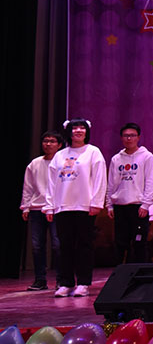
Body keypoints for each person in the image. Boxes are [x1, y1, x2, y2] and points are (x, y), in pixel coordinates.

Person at [44, 119, 106, 298]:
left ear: (87, 131)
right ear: (68, 132)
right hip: (63, 205)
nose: (78, 131)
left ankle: (84, 283)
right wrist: (50, 206)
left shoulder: (93, 152)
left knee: (84, 245)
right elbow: (51, 183)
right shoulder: (60, 155)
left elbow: (100, 178)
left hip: (84, 205)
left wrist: (96, 202)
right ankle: (66, 283)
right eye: (75, 128)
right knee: (65, 246)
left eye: (82, 128)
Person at [105, 123, 153, 265]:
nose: (129, 138)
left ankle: (140, 273)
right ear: (121, 138)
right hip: (120, 206)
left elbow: (151, 182)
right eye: (126, 136)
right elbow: (111, 183)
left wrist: (146, 205)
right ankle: (120, 274)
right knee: (120, 243)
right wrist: (109, 205)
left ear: (138, 137)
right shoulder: (116, 159)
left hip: (138, 207)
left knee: (139, 243)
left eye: (132, 135)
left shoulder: (147, 157)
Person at [21, 130, 63, 291]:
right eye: (45, 141)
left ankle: (61, 279)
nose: (48, 144)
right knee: (37, 245)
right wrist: (26, 206)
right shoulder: (35, 163)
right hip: (37, 208)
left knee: (58, 245)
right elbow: (28, 187)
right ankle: (40, 279)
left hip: (57, 208)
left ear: (59, 145)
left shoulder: (63, 162)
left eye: (52, 141)